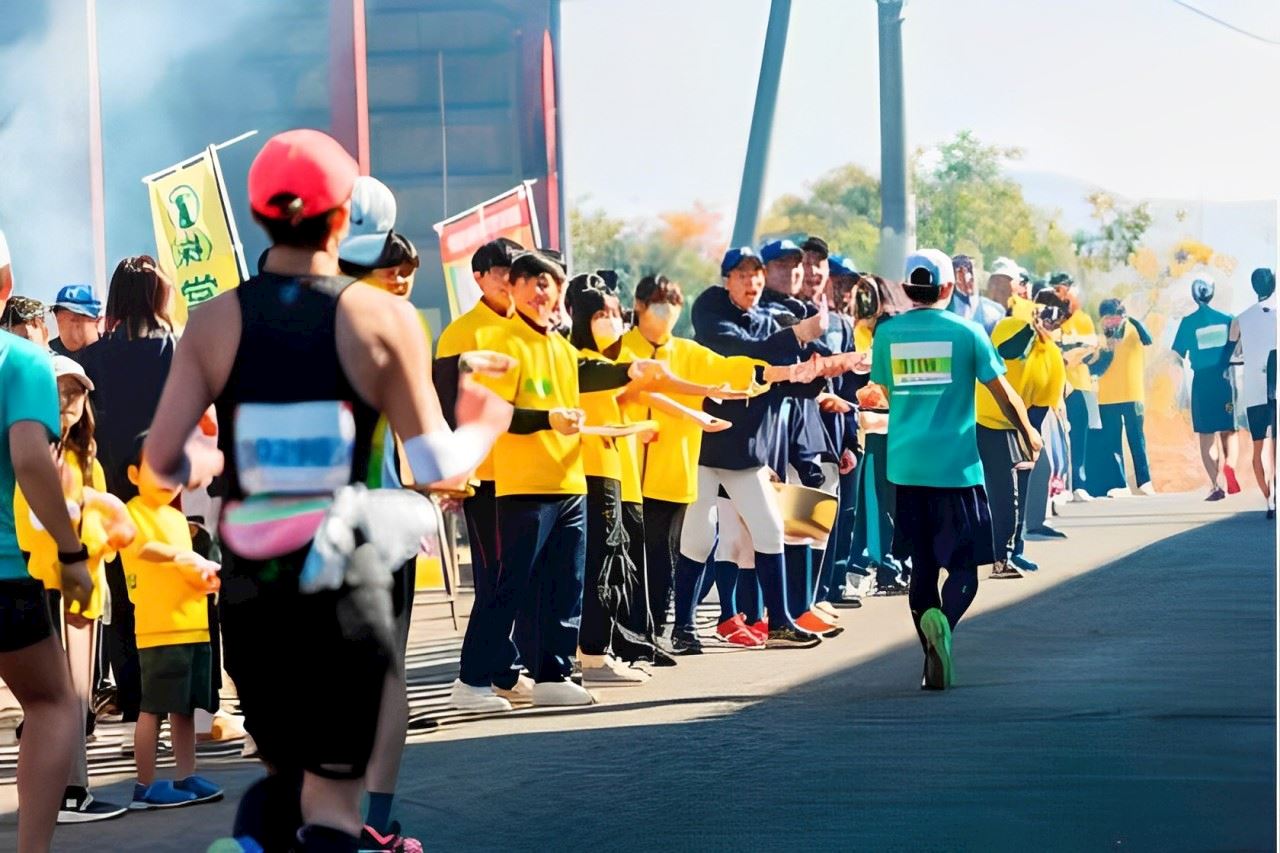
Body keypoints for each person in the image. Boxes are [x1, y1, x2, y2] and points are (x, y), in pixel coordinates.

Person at [142, 128, 512, 852]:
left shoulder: (215, 319)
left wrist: (209, 459)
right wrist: (484, 422)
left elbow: (159, 464)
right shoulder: (384, 318)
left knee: (286, 785)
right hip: (347, 585)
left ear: (257, 215)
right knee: (336, 809)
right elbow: (436, 462)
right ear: (344, 219)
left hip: (254, 590)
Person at [868, 249, 1040, 690]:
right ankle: (944, 624)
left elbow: (883, 391)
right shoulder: (968, 333)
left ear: (907, 289)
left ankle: (930, 645)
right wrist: (1028, 433)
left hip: (905, 470)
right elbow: (1002, 392)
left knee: (922, 567)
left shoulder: (887, 335)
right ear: (948, 288)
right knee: (963, 569)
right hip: (958, 471)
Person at [335, 175, 428, 853]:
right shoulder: (394, 322)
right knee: (384, 671)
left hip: (292, 519)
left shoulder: (262, 310)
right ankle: (373, 816)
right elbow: (422, 436)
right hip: (378, 518)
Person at [682, 246, 832, 650]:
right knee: (701, 536)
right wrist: (795, 336)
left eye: (756, 274)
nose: (751, 282)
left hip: (747, 451)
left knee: (768, 529)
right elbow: (745, 352)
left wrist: (826, 379)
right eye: (742, 275)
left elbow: (786, 371)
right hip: (707, 443)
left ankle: (780, 622)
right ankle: (683, 628)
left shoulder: (768, 318)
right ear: (726, 278)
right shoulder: (710, 311)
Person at [616, 274, 768, 651]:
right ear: (638, 306)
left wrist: (780, 369)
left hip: (672, 474)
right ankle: (629, 634)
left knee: (663, 558)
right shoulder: (620, 349)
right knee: (629, 557)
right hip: (625, 475)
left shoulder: (687, 352)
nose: (666, 311)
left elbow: (733, 369)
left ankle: (652, 633)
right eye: (657, 303)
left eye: (673, 304)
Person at [12, 355, 129, 824]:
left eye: (77, 392)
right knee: (64, 699)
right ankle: (67, 793)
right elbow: (35, 523)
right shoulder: (36, 449)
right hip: (56, 585)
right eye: (61, 389)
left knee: (76, 698)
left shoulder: (85, 455)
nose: (69, 401)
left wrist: (100, 535)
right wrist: (93, 532)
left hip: (86, 588)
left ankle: (71, 790)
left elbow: (95, 522)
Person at [1, 321, 97, 853]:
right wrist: (71, 551)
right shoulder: (22, 358)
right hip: (2, 574)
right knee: (52, 703)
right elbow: (30, 457)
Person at [76, 255, 177, 744]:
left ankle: (135, 699)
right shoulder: (174, 349)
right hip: (168, 492)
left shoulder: (92, 359)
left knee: (121, 597)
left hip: (110, 492)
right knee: (177, 587)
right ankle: (183, 704)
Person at [120, 433, 223, 810]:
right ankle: (144, 786)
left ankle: (185, 775)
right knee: (154, 707)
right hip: (159, 630)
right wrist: (183, 559)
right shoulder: (132, 512)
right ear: (134, 473)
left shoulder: (178, 518)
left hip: (192, 626)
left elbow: (185, 565)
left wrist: (204, 578)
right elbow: (142, 548)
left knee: (185, 707)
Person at [976, 286, 1068, 578]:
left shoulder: (1053, 355)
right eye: (1043, 309)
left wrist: (1029, 441)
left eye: (1057, 315)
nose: (1049, 319)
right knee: (997, 491)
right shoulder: (1010, 326)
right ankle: (994, 554)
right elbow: (1007, 350)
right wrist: (1030, 328)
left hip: (1019, 425)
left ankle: (1013, 551)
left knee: (1020, 487)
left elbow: (1041, 405)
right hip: (982, 420)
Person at [1171, 276, 1239, 501]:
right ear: (1212, 293)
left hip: (1201, 382)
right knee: (1229, 431)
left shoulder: (1188, 322)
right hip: (1225, 380)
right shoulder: (1228, 319)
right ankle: (1230, 465)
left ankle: (1215, 483)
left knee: (1206, 436)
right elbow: (1238, 351)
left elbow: (1177, 357)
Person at [1089, 298, 1155, 497]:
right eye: (1106, 319)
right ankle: (1120, 484)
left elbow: (1148, 339)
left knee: (1137, 439)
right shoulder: (1099, 339)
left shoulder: (1133, 329)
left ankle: (1145, 482)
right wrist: (1107, 348)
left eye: (1114, 317)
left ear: (1122, 316)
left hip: (1133, 394)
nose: (1110, 322)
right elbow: (1096, 369)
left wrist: (1131, 320)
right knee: (1112, 442)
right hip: (1107, 397)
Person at [1230, 267, 1277, 518]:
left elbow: (1232, 353)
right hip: (1276, 388)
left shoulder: (1241, 319)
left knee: (1257, 449)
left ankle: (1268, 498)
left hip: (1254, 390)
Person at [1051, 273, 1100, 501]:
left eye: (1062, 289)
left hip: (1079, 384)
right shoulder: (1051, 317)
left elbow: (1090, 349)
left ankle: (1079, 484)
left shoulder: (1083, 319)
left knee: (1080, 435)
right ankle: (1060, 486)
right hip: (1056, 387)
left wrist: (1072, 352)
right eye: (1056, 290)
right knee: (1058, 437)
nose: (1060, 294)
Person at [947, 254, 1003, 332]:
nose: (967, 278)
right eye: (959, 272)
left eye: (969, 270)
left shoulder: (996, 312)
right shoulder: (942, 311)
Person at [48, 285, 103, 358]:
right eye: (62, 320)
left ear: (98, 321)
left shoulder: (111, 354)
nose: (71, 329)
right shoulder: (49, 353)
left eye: (77, 320)